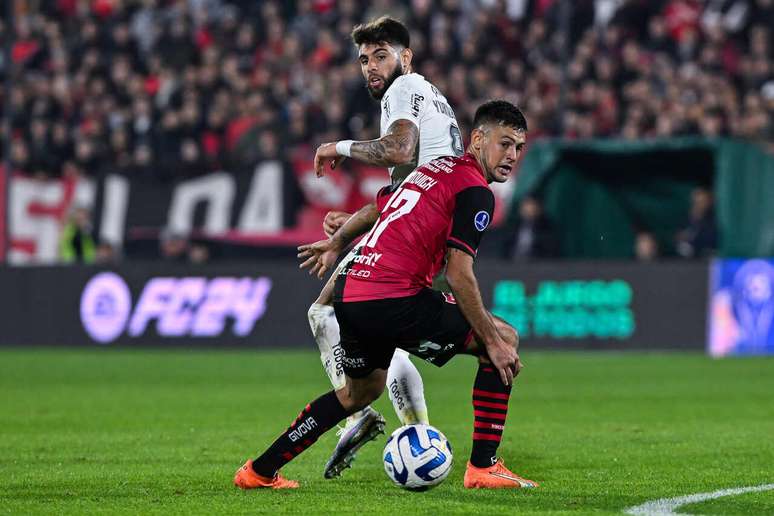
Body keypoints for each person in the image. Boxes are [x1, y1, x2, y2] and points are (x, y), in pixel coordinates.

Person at [235, 100, 539, 490]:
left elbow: (384, 208)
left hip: (353, 294)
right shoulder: (476, 191)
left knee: (357, 394)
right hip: (395, 298)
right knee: (505, 339)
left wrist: (340, 238)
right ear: (477, 139)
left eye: (518, 147)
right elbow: (459, 273)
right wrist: (493, 343)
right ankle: (483, 467)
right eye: (505, 143)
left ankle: (259, 471)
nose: (512, 155)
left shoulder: (430, 171)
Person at [306, 16, 465, 478]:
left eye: (381, 55)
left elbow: (397, 150)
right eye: (363, 59)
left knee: (326, 312)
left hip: (422, 229)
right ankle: (420, 439)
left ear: (405, 57)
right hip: (434, 226)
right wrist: (345, 232)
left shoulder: (403, 88)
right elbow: (401, 192)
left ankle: (355, 417)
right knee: (385, 336)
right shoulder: (430, 96)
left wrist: (337, 145)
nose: (371, 67)